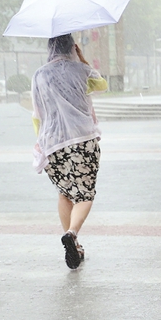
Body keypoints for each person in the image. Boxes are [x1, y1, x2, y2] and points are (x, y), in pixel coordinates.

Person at [31, 34, 108, 270]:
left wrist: (40, 140)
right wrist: (82, 58)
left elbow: (37, 113)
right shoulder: (81, 71)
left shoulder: (39, 75)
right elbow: (102, 85)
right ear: (71, 47)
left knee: (64, 193)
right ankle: (72, 234)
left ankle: (73, 241)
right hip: (82, 139)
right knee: (85, 195)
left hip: (53, 142)